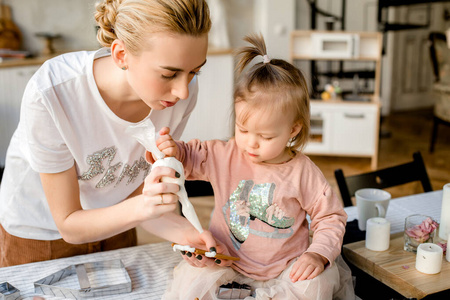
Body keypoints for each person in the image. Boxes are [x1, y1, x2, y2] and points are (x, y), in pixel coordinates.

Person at [0, 0, 219, 267]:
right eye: (169, 74)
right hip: (41, 234)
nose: (183, 91)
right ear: (121, 55)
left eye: (195, 71)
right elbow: (69, 225)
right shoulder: (53, 93)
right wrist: (144, 207)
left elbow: (141, 200)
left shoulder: (178, 95)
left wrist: (188, 235)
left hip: (119, 222)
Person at [153, 34, 355, 299]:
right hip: (226, 260)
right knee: (191, 282)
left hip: (287, 267)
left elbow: (330, 217)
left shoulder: (302, 171)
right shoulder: (225, 154)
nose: (251, 143)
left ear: (293, 129)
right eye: (243, 129)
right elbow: (190, 156)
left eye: (266, 137)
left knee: (317, 284)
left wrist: (317, 255)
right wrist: (173, 151)